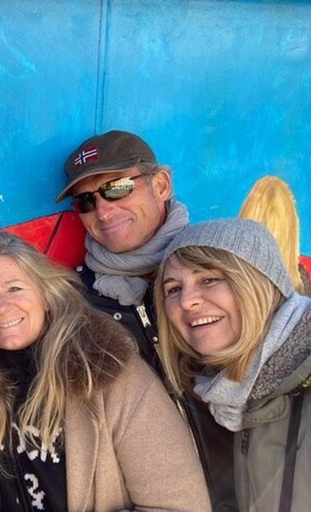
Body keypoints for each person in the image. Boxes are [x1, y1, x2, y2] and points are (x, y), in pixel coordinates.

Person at [0, 232, 209, 511]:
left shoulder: (107, 372)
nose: (1, 307)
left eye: (15, 288)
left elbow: (181, 504)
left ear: (45, 294)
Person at [56, 130, 236, 510]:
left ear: (161, 184)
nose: (102, 211)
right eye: (86, 201)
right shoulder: (74, 310)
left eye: (117, 188)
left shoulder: (230, 277)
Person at [155, 218, 311, 512]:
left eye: (209, 280)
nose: (187, 301)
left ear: (258, 283)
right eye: (173, 289)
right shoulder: (239, 393)